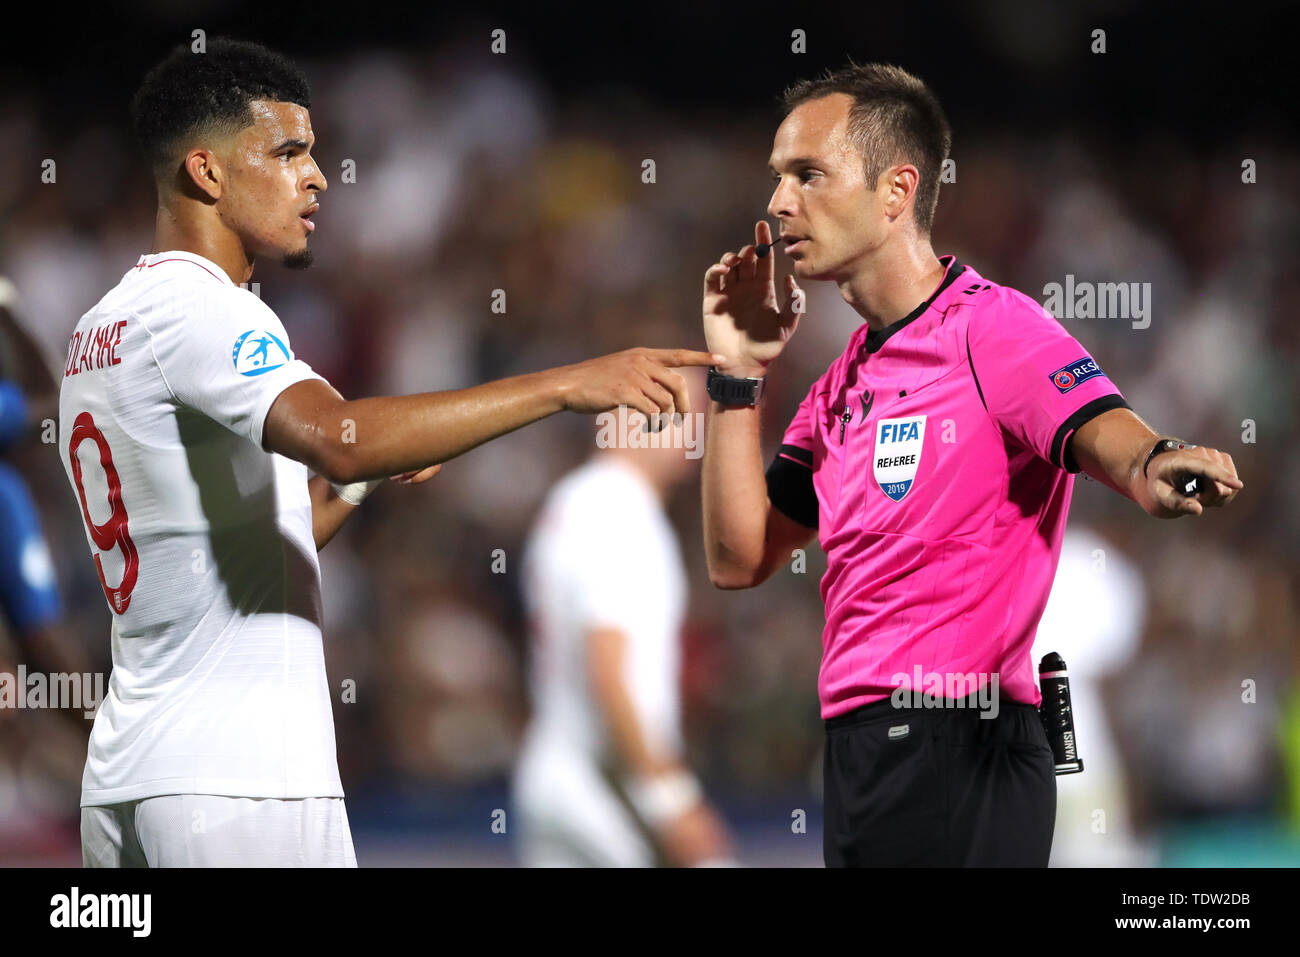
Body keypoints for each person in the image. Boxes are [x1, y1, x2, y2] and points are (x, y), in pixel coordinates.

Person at [59, 37, 717, 868]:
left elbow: (241, 547)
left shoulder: (98, 331)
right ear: (208, 171)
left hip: (128, 778)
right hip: (241, 783)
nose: (318, 177)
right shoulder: (206, 309)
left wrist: (365, 482)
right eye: (289, 151)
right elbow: (341, 437)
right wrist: (570, 383)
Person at [698, 62, 1243, 867]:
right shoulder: (841, 384)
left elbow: (1104, 428)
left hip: (961, 746)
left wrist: (1156, 460)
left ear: (896, 191)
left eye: (808, 175)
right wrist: (736, 378)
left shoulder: (991, 329)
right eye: (778, 178)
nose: (779, 203)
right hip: (862, 752)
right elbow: (739, 557)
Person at [513, 386, 734, 867]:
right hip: (605, 788)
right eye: (682, 413)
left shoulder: (575, 499)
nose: (694, 430)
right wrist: (669, 800)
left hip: (562, 772)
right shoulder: (619, 510)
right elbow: (607, 668)